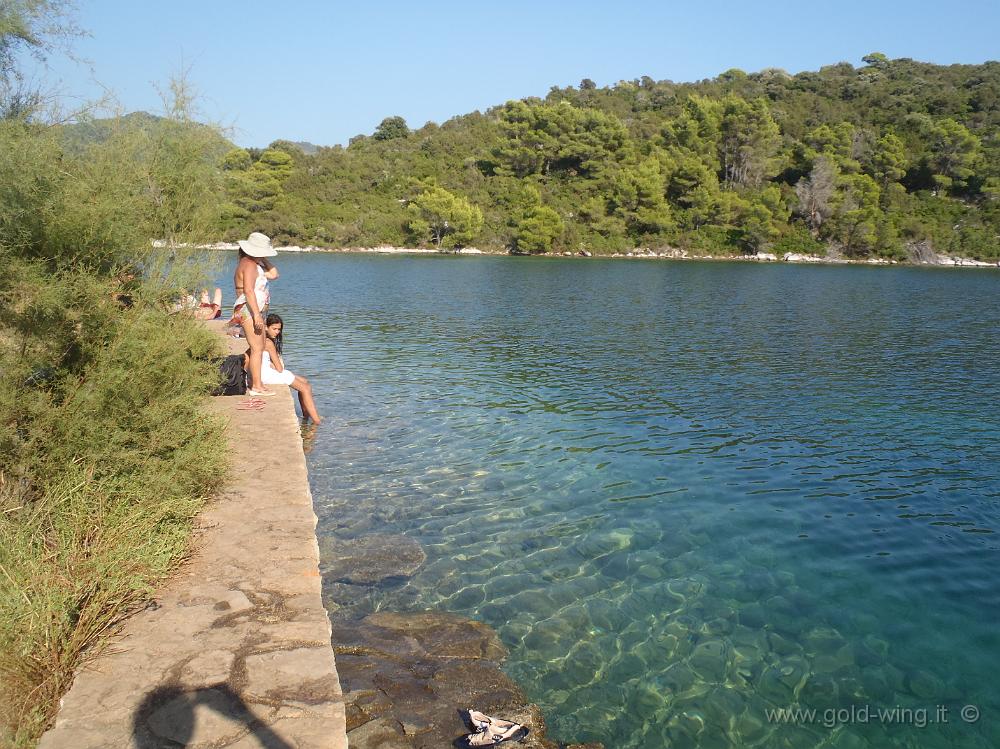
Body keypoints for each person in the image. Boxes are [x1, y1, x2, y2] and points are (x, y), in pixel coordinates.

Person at [231, 232, 279, 396]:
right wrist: (257, 315)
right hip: (250, 310)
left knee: (259, 346)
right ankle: (256, 386)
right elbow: (248, 290)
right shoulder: (249, 265)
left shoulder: (252, 263)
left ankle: (249, 379)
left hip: (254, 310)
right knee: (258, 347)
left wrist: (263, 259)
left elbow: (274, 274)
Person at [255, 313, 323, 424]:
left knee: (304, 381)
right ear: (266, 327)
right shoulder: (268, 343)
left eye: (279, 329)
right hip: (266, 375)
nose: (277, 332)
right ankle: (317, 421)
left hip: (263, 373)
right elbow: (280, 368)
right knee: (305, 388)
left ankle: (306, 416)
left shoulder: (258, 339)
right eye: (274, 329)